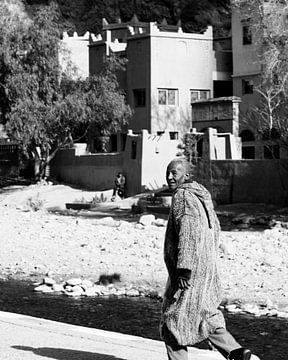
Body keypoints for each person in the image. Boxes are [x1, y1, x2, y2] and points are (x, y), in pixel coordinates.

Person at [160, 158, 253, 360]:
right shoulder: (202, 198)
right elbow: (215, 230)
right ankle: (235, 352)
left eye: (174, 173)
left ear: (187, 176)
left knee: (172, 321)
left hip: (188, 271)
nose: (169, 177)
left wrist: (184, 268)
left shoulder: (183, 196)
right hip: (206, 270)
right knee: (205, 314)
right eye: (167, 172)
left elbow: (189, 232)